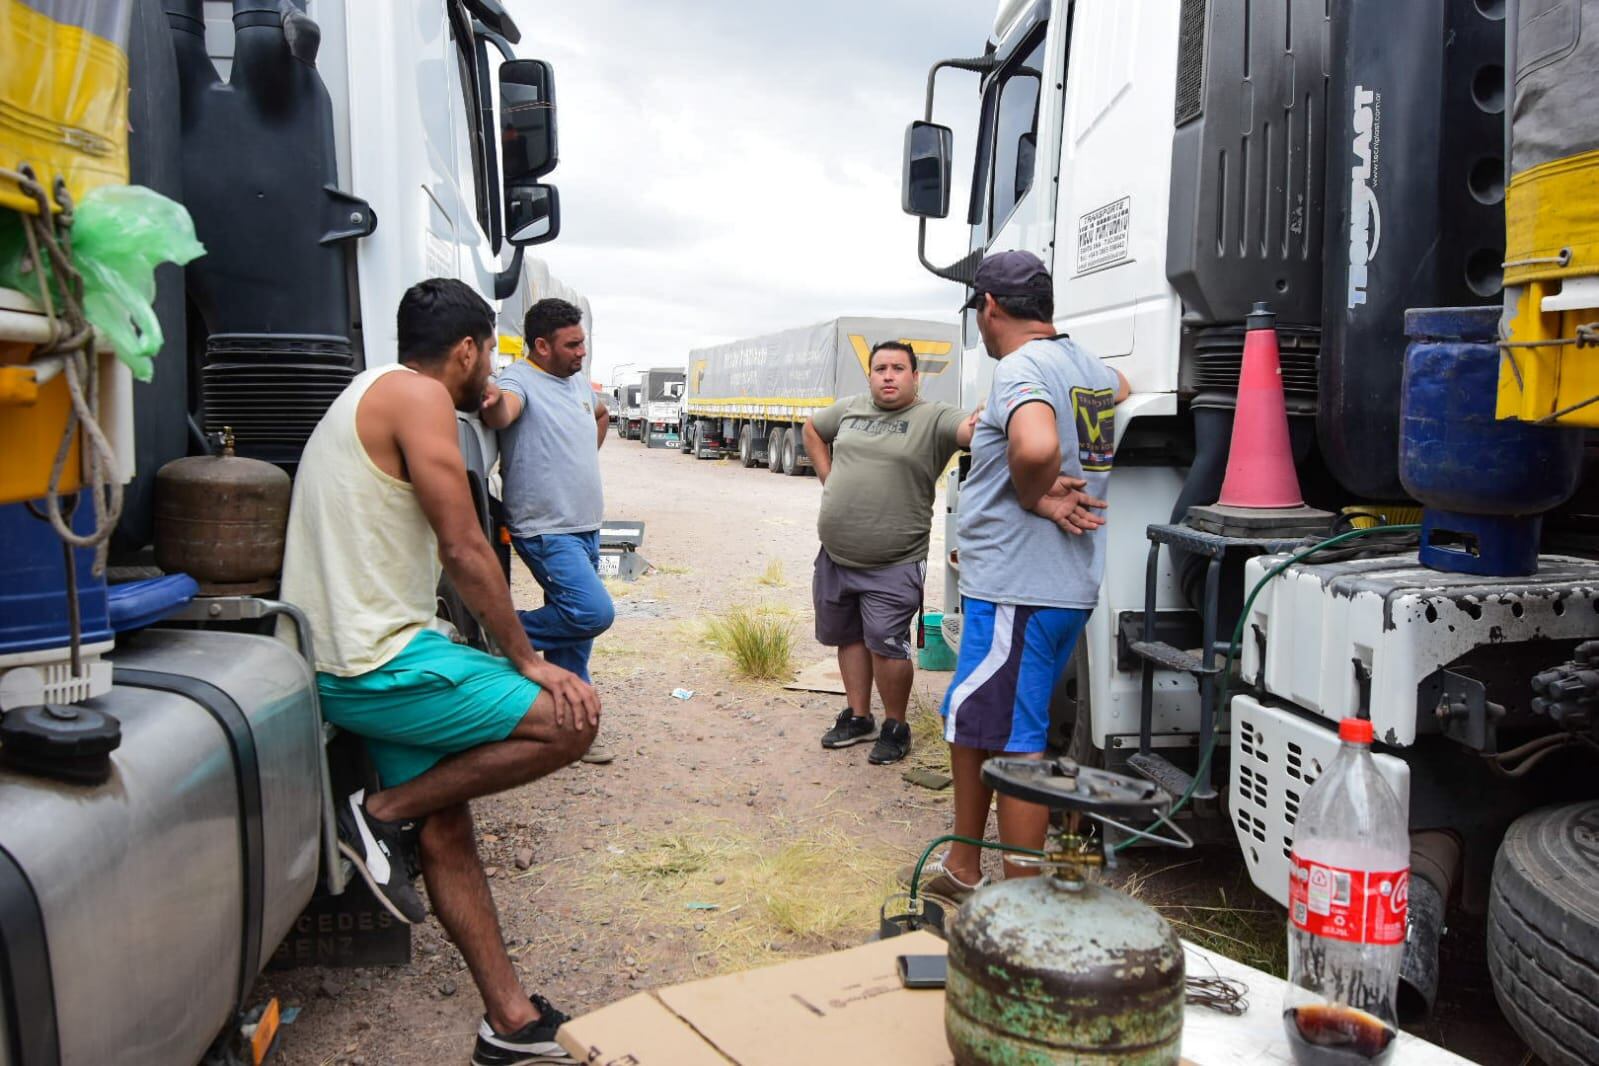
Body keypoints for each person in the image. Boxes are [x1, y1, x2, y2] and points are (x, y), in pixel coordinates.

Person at [280, 278, 599, 1066]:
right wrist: (526, 657)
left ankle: (509, 1022)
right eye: (488, 353)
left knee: (448, 823)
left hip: (364, 650)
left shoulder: (368, 391)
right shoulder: (418, 396)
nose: (489, 370)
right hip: (373, 660)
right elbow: (463, 544)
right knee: (570, 720)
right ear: (466, 349)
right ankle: (380, 812)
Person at [918, 251, 1130, 902]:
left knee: (1013, 744)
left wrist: (1035, 493)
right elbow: (1119, 387)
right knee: (980, 722)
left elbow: (1035, 446)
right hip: (1050, 586)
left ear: (989, 308)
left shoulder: (1020, 368)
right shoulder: (1082, 366)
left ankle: (1018, 902)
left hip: (1020, 587)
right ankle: (963, 867)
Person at [802, 341, 974, 764]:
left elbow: (970, 431)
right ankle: (860, 717)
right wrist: (829, 477)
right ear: (870, 376)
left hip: (893, 560)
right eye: (880, 368)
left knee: (887, 644)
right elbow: (812, 429)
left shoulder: (932, 417)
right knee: (849, 637)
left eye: (899, 368)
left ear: (916, 377)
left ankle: (896, 725)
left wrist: (996, 409)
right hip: (837, 555)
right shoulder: (850, 409)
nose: (889, 375)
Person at [480, 298, 615, 763]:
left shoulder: (575, 380)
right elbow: (503, 412)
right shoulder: (519, 379)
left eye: (583, 342)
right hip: (545, 529)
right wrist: (493, 402)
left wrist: (582, 456)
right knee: (590, 613)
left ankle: (571, 729)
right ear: (541, 346)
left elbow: (599, 414)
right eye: (572, 344)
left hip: (584, 525)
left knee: (574, 639)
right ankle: (499, 633)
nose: (582, 352)